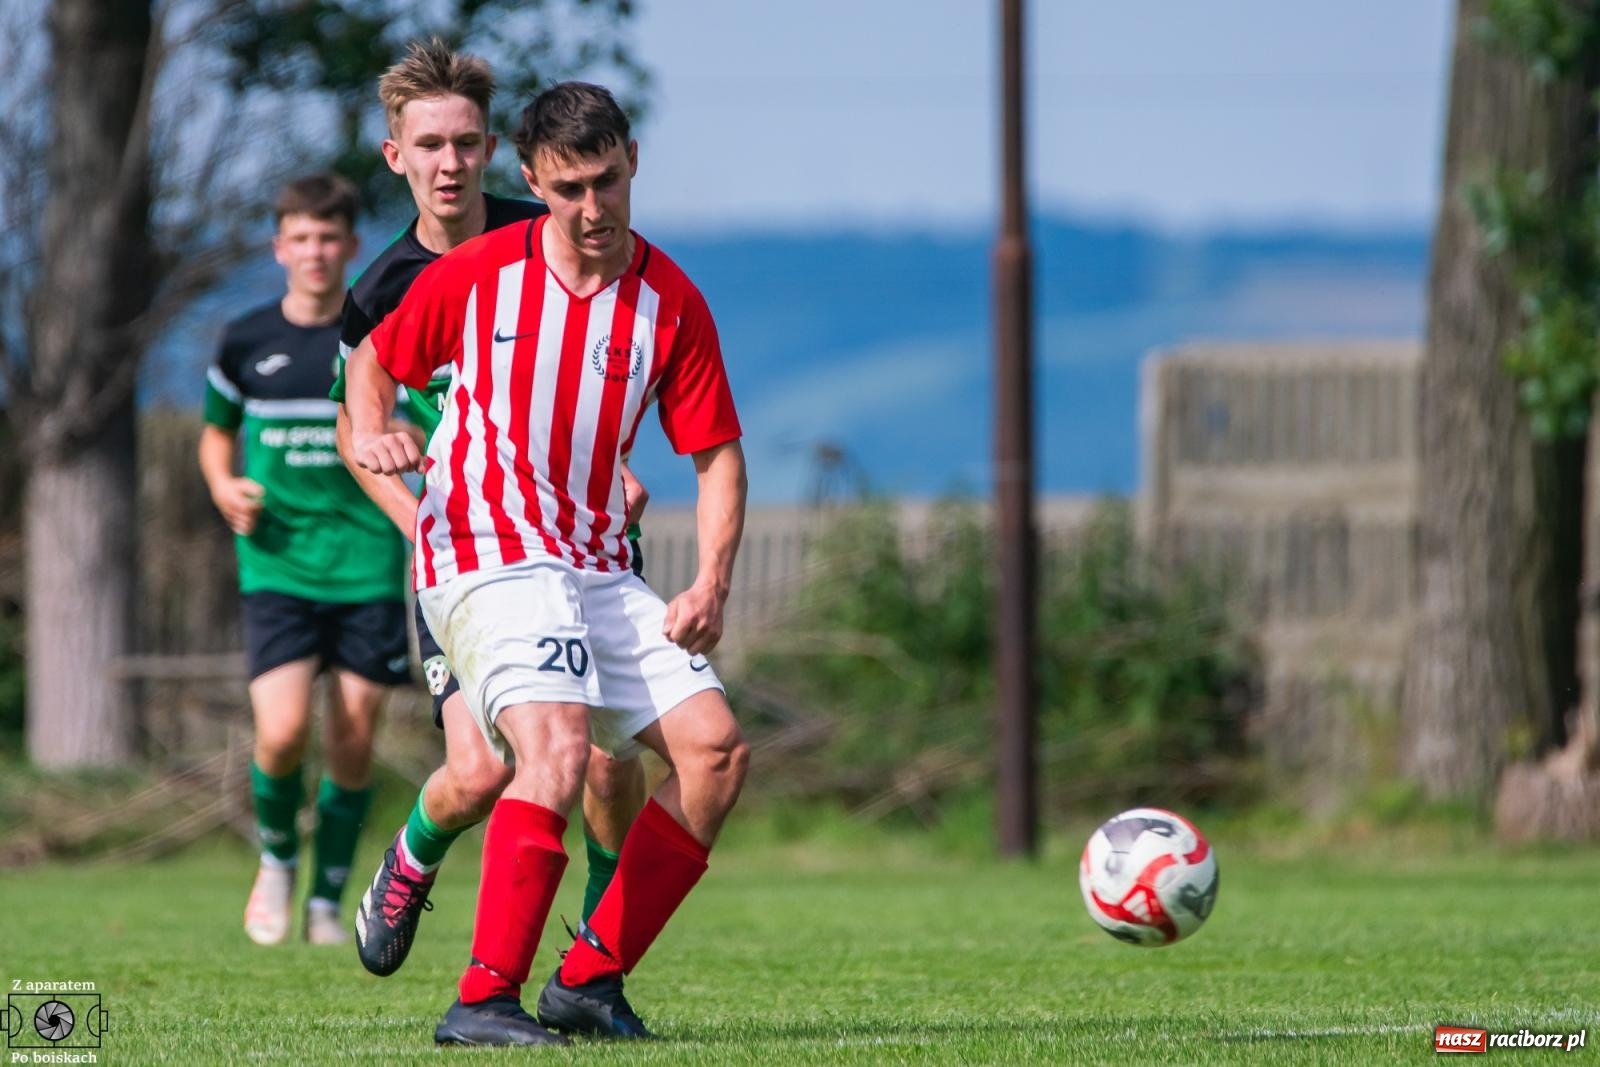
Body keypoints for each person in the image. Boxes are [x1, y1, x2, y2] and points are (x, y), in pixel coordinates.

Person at [346, 81, 750, 1048]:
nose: (593, 207)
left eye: (607, 181)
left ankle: (589, 980)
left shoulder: (670, 300)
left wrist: (711, 581)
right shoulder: (479, 272)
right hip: (481, 551)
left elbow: (717, 454)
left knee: (717, 751)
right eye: (568, 188)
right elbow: (373, 362)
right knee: (554, 750)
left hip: (597, 564)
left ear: (632, 163)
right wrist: (374, 430)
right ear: (532, 180)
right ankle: (483, 998)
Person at [327, 40, 649, 980]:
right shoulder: (381, 291)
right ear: (397, 156)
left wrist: (618, 466)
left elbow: (600, 364)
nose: (448, 162)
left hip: (579, 544)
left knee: (605, 757)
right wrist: (424, 525)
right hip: (463, 557)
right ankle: (412, 857)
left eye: (465, 141)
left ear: (495, 153)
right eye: (429, 143)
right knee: (481, 771)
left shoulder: (545, 233)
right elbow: (361, 426)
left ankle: (598, 941)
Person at [199, 174, 409, 947]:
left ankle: (328, 898)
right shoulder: (246, 339)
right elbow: (216, 433)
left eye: (330, 238)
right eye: (301, 238)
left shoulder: (377, 336)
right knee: (282, 732)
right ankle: (279, 860)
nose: (316, 252)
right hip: (277, 568)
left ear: (351, 247)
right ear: (279, 246)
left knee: (352, 737)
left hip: (367, 566)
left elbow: (416, 418)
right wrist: (225, 486)